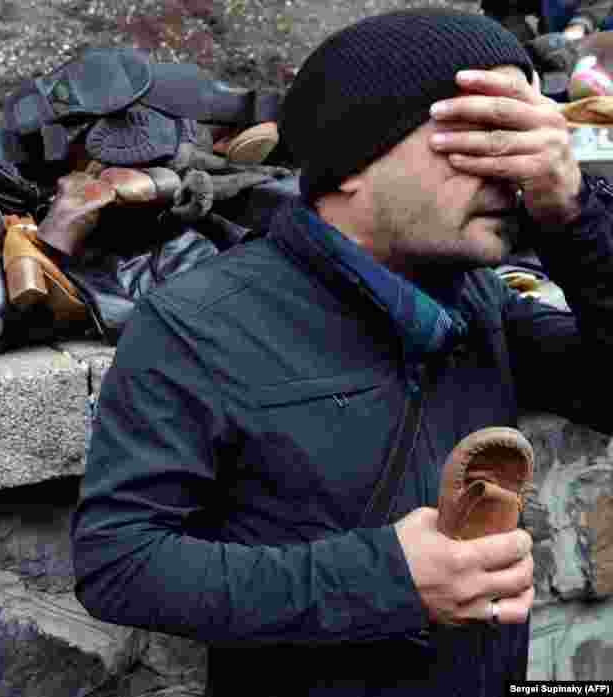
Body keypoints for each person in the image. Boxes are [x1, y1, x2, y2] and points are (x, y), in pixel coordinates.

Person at [70, 8, 613, 696]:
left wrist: (574, 214)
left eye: (521, 139)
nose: (511, 172)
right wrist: (385, 577)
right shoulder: (199, 326)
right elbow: (118, 562)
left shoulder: (475, 299)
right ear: (353, 163)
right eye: (479, 139)